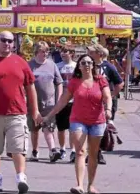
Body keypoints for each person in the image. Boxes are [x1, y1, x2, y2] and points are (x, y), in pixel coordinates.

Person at [0, 31, 40, 193]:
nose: (7, 43)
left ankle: (21, 177)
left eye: (10, 41)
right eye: (3, 40)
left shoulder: (21, 62)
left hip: (17, 114)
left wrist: (35, 110)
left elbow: (30, 87)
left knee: (18, 148)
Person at [41, 54, 112, 194]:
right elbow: (63, 101)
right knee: (80, 152)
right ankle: (79, 185)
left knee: (93, 153)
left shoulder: (100, 80)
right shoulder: (74, 82)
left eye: (89, 63)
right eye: (83, 63)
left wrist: (109, 109)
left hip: (97, 121)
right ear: (79, 66)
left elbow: (108, 96)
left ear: (93, 65)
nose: (86, 65)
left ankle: (90, 185)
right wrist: (49, 115)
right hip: (78, 120)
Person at [87, 44, 124, 165]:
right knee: (89, 127)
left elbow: (119, 83)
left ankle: (98, 152)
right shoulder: (88, 66)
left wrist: (112, 95)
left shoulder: (109, 67)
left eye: (92, 53)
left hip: (104, 103)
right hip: (91, 101)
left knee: (101, 128)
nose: (89, 55)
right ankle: (92, 152)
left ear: (99, 54)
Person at [28, 41, 63, 163]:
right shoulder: (29, 65)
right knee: (34, 129)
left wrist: (59, 98)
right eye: (43, 51)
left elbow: (59, 83)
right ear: (37, 52)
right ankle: (35, 151)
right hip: (33, 103)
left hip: (49, 103)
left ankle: (52, 151)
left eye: (47, 51)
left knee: (48, 127)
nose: (46, 53)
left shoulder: (52, 65)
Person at [56, 47, 76, 162]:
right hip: (61, 100)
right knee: (61, 128)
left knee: (72, 128)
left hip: (74, 101)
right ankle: (62, 149)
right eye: (61, 51)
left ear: (72, 53)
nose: (63, 54)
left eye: (65, 52)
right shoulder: (57, 66)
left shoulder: (76, 66)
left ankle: (73, 150)